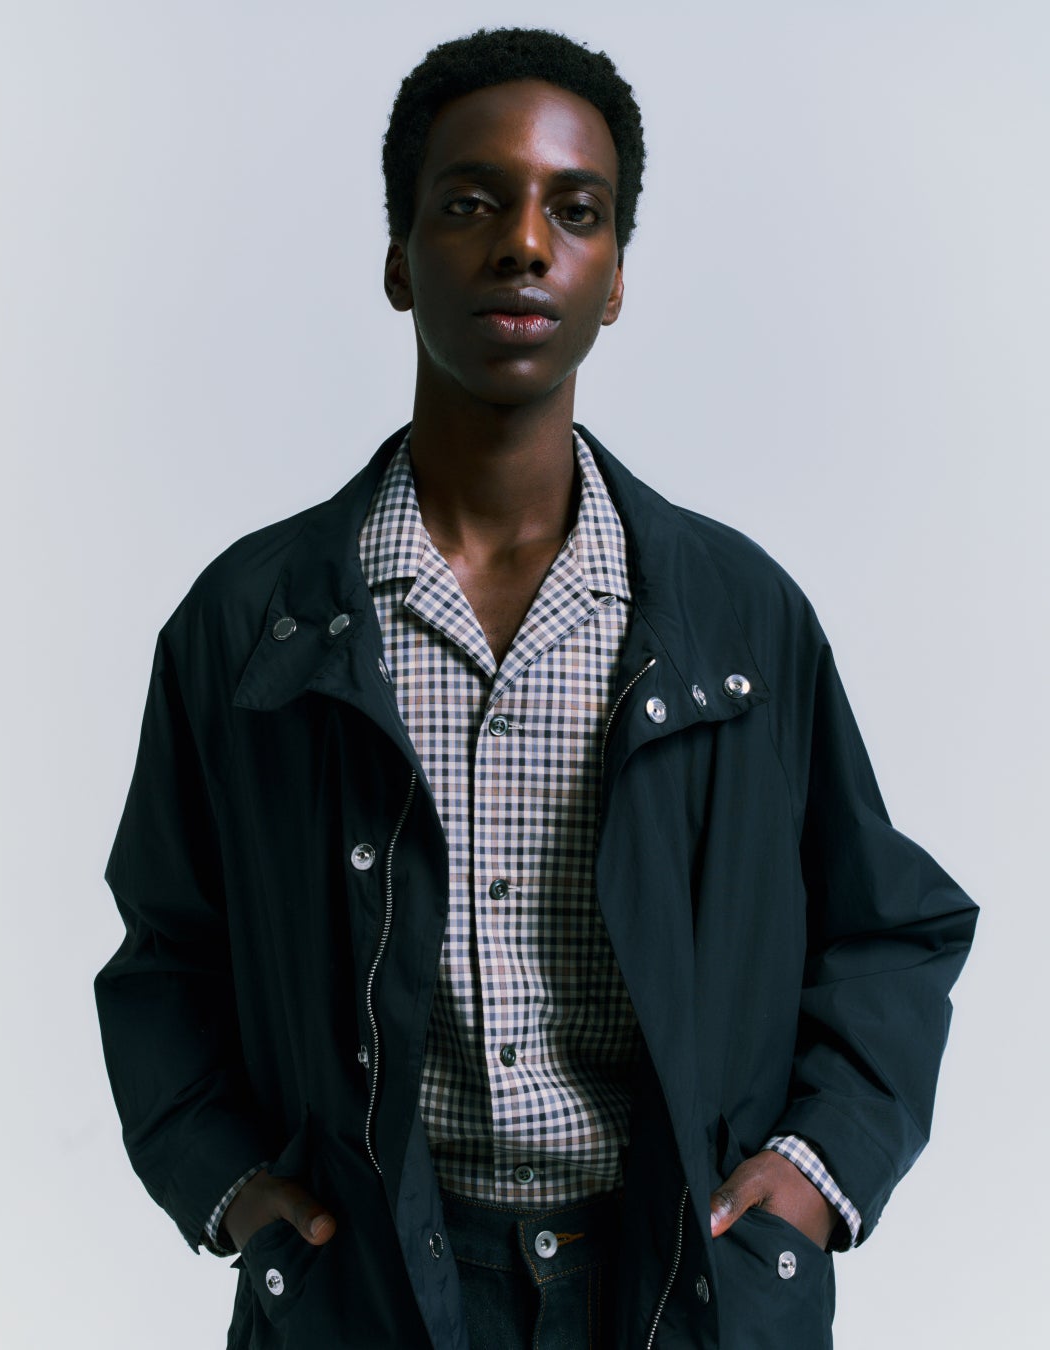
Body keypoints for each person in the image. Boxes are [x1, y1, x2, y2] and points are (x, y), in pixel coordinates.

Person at [96, 27, 977, 1350]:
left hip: (675, 1283)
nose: (524, 244)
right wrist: (232, 1190)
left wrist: (816, 1169)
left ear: (615, 277)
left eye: (576, 210)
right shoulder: (252, 627)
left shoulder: (737, 618)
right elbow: (166, 954)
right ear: (399, 260)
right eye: (470, 204)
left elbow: (888, 927)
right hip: (369, 1289)